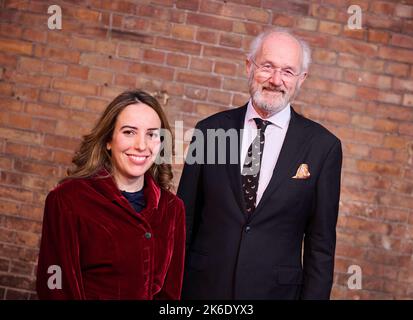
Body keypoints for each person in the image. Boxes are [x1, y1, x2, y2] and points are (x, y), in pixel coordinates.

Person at [177, 28, 342, 300]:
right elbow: (183, 222)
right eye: (267, 66)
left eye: (288, 71)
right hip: (203, 290)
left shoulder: (323, 147)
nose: (276, 80)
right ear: (248, 66)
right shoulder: (209, 132)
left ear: (301, 79)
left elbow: (320, 246)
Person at [36, 90, 185, 300]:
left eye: (152, 134)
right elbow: (54, 285)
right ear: (108, 139)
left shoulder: (172, 208)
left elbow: (171, 294)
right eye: (129, 132)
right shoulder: (67, 199)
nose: (141, 145)